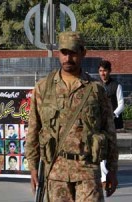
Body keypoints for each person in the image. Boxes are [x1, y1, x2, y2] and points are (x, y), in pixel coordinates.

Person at [25, 31, 118, 201]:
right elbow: (33, 130)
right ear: (59, 53)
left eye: (73, 53)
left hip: (87, 171)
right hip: (55, 171)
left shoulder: (96, 90)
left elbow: (109, 131)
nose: (67, 58)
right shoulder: (43, 88)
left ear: (83, 53)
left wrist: (112, 169)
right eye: (64, 52)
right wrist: (32, 167)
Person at [98, 60, 125, 187]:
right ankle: (104, 178)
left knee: (110, 150)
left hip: (112, 123)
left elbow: (121, 105)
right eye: (101, 71)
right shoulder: (96, 85)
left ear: (109, 71)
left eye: (105, 70)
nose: (103, 73)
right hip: (99, 122)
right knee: (101, 147)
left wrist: (112, 115)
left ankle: (110, 175)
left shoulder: (116, 85)